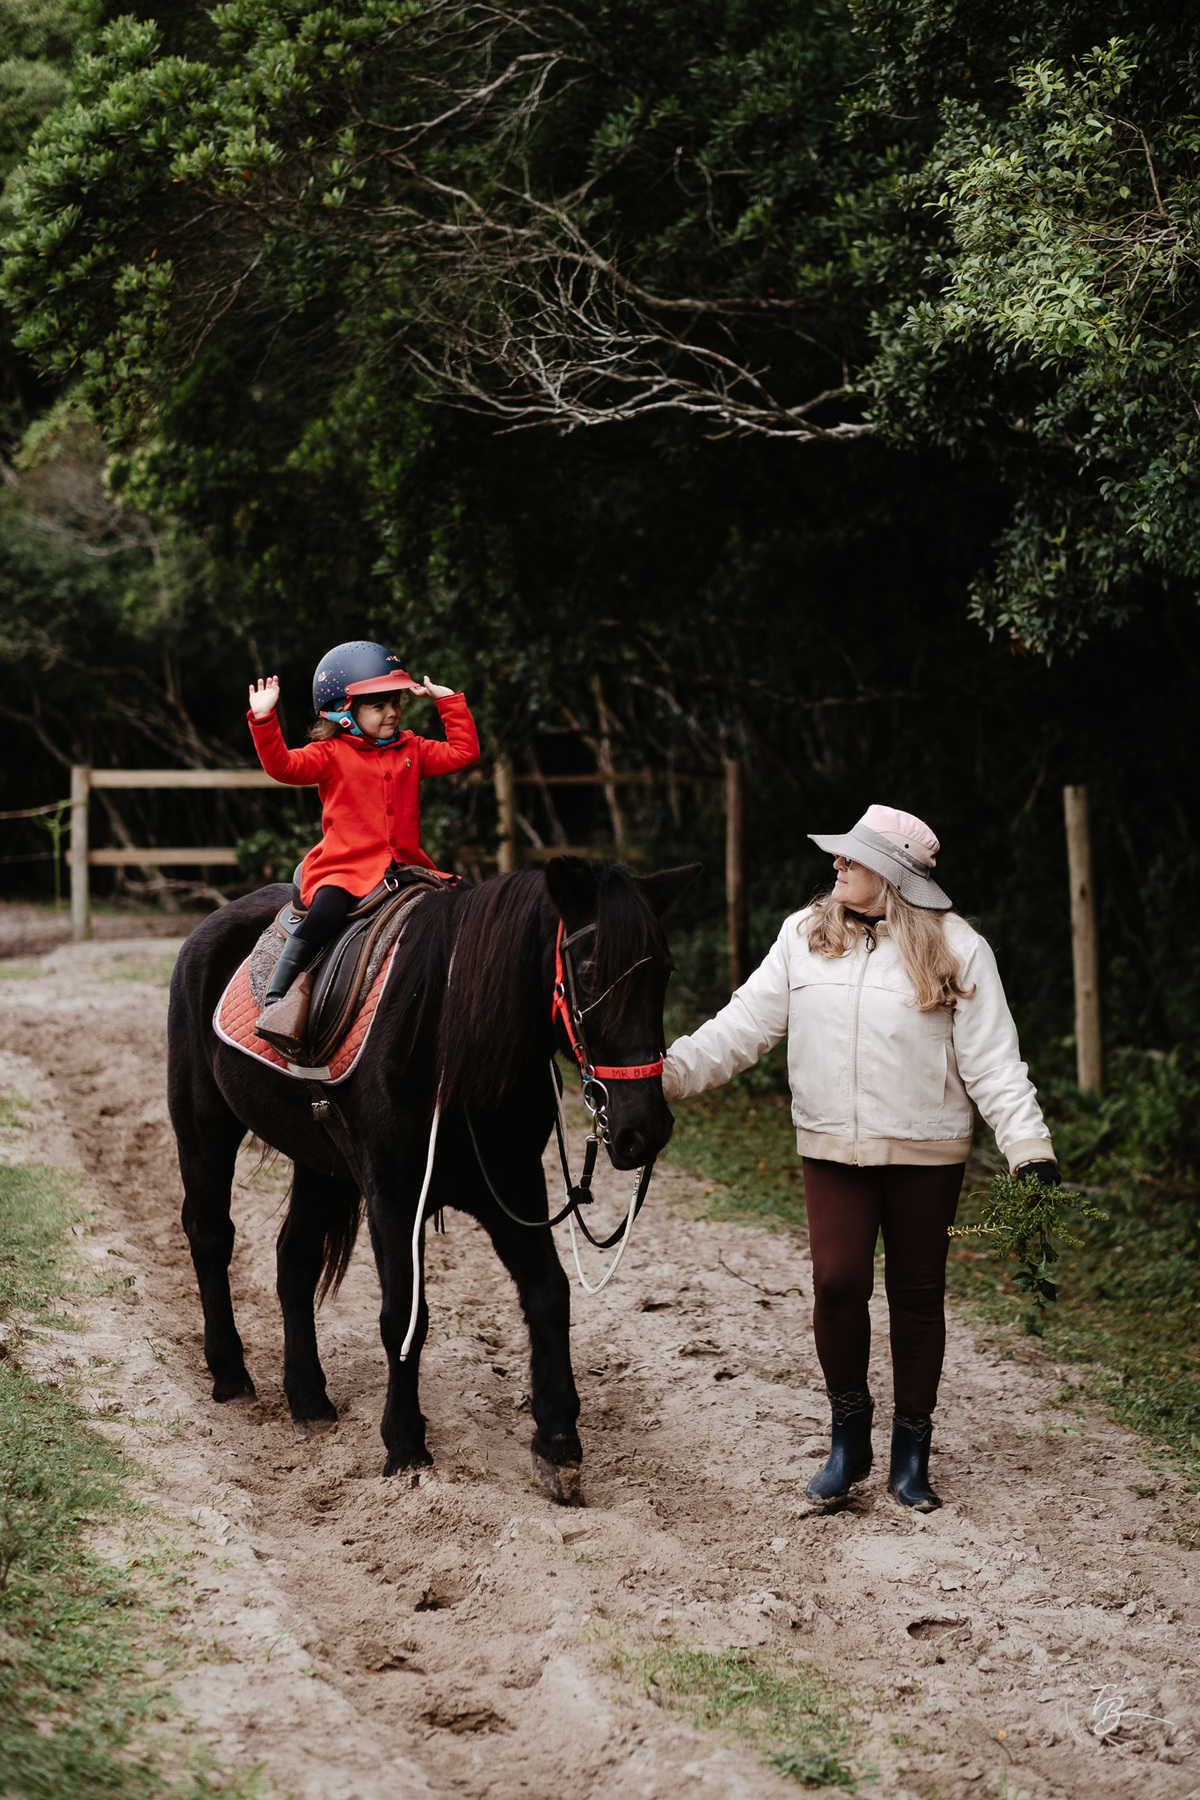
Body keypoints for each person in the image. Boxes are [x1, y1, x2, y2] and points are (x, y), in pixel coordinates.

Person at [662, 804, 1057, 1511]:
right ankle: (850, 1439)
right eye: (839, 855)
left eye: (853, 856)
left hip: (926, 1150)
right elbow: (743, 1027)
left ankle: (912, 1454)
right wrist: (662, 1073)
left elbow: (995, 1063)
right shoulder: (803, 936)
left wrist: (1029, 1148)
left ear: (896, 873)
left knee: (915, 1295)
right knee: (838, 1283)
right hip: (832, 1145)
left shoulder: (958, 948)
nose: (836, 864)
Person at [246, 639, 479, 1053]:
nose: (392, 712)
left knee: (469, 906)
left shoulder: (413, 748)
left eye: (395, 703)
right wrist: (264, 720)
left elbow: (464, 752)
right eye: (378, 705)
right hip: (345, 869)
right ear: (343, 713)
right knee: (327, 912)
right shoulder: (328, 754)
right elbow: (282, 766)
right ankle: (276, 998)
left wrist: (450, 703)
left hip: (407, 868)